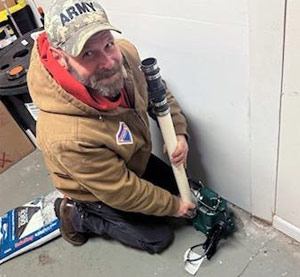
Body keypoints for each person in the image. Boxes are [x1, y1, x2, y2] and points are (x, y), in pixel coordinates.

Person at [27, 0, 195, 254]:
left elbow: (156, 91)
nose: (108, 61)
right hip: (93, 189)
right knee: (158, 237)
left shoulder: (124, 55)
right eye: (88, 54)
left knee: (185, 189)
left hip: (127, 157)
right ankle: (77, 216)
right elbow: (120, 190)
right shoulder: (67, 136)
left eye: (107, 44)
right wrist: (173, 206)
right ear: (61, 59)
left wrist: (178, 131)